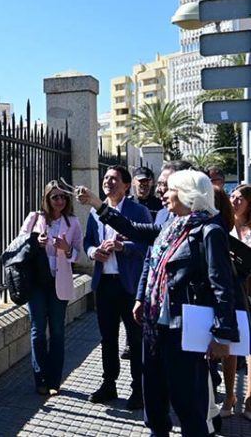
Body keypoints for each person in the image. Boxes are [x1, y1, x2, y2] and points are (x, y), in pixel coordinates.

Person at [78, 170, 239, 436]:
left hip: (185, 330)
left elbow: (222, 287)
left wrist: (223, 335)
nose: (163, 193)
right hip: (155, 328)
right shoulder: (169, 226)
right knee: (154, 401)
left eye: (170, 189)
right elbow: (133, 232)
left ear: (188, 194)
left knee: (188, 404)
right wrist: (98, 204)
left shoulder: (209, 231)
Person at [85, 166, 151, 409]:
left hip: (130, 285)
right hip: (104, 284)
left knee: (135, 340)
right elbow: (88, 241)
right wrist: (94, 252)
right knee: (107, 338)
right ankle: (109, 384)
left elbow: (148, 247)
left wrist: (125, 248)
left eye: (114, 179)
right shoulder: (95, 211)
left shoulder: (138, 211)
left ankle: (139, 389)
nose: (108, 183)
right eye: (105, 178)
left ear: (126, 185)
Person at [19, 181, 83, 397]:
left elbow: (78, 252)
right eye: (55, 197)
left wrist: (66, 250)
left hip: (59, 282)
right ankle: (40, 379)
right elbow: (19, 245)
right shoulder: (34, 218)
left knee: (57, 332)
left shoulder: (72, 222)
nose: (59, 201)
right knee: (37, 331)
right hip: (37, 282)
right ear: (47, 199)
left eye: (63, 197)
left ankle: (55, 380)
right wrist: (36, 242)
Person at [223, 184, 251, 419]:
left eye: (240, 198)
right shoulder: (225, 228)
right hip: (233, 293)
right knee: (230, 348)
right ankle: (230, 396)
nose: (234, 201)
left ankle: (250, 400)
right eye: (232, 196)